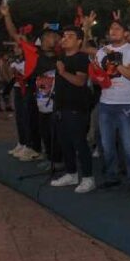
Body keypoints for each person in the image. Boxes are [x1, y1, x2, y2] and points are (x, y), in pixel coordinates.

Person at [83, 16, 130, 191]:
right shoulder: (103, 51)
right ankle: (112, 176)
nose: (113, 31)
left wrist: (117, 65)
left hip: (126, 104)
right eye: (111, 28)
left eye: (117, 28)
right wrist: (86, 28)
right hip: (105, 103)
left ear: (126, 33)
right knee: (106, 144)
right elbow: (84, 49)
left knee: (128, 144)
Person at [0, 3, 59, 164]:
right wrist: (7, 15)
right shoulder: (33, 52)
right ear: (42, 40)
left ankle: (55, 157)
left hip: (56, 97)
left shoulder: (61, 54)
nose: (53, 39)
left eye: (55, 36)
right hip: (35, 94)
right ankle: (39, 151)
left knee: (54, 128)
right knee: (38, 125)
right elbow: (14, 34)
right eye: (49, 36)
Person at [48, 26, 95, 193]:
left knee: (79, 143)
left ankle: (88, 178)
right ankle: (71, 173)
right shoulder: (61, 57)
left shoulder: (81, 58)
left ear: (79, 41)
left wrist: (63, 72)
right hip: (61, 106)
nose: (65, 38)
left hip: (76, 107)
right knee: (65, 142)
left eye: (70, 36)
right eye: (64, 35)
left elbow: (80, 81)